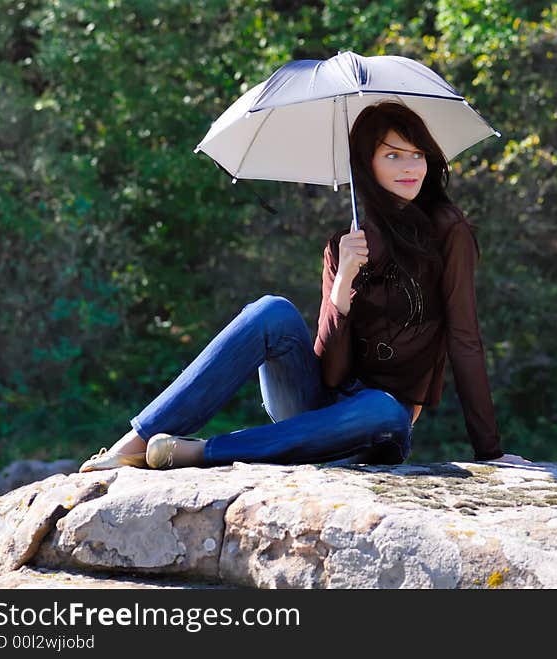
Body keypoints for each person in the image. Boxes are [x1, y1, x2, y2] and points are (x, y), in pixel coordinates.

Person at [79, 101, 530, 473]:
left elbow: (465, 338)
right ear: (365, 164)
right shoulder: (343, 246)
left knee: (387, 410)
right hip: (314, 404)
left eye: (417, 154)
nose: (410, 167)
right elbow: (331, 374)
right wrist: (342, 290)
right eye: (393, 155)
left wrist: (488, 451)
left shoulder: (448, 233)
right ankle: (131, 446)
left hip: (373, 424)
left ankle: (202, 452)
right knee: (270, 311)